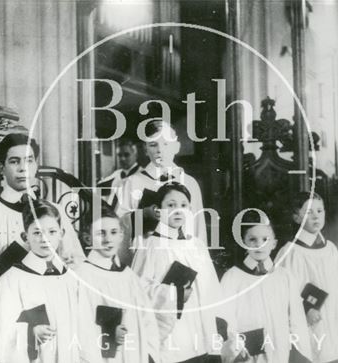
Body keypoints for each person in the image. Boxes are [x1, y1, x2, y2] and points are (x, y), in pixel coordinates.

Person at [0, 133, 83, 292]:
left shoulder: (55, 211)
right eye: (14, 161)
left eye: (29, 160)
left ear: (36, 166)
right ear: (1, 168)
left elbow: (77, 264)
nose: (23, 168)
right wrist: (18, 250)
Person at [131, 182, 236, 363]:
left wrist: (220, 323)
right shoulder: (150, 245)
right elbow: (137, 292)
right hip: (172, 339)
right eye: (170, 205)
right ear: (158, 210)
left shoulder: (197, 245)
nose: (177, 210)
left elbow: (212, 289)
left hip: (202, 335)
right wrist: (175, 294)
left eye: (183, 205)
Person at [0, 199, 80, 363]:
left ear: (62, 233)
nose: (45, 239)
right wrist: (30, 332)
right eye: (37, 233)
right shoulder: (12, 280)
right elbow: (0, 332)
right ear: (25, 237)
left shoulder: (71, 279)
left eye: (52, 231)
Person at [221, 209, 312, 363]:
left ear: (274, 244)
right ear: (243, 242)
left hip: (280, 349)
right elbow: (226, 318)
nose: (259, 245)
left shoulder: (284, 277)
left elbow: (297, 318)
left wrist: (300, 351)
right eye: (252, 240)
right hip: (246, 353)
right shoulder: (233, 277)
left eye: (265, 239)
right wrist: (236, 348)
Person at [276, 192, 338, 363]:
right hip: (307, 320)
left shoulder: (331, 249)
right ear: (296, 218)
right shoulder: (290, 252)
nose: (315, 216)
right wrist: (305, 309)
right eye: (308, 212)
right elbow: (281, 291)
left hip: (332, 319)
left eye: (319, 211)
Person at [115, 122, 206, 266]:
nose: (159, 150)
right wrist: (143, 214)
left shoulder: (189, 183)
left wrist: (200, 261)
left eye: (166, 144)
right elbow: (119, 223)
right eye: (153, 145)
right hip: (146, 258)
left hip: (182, 258)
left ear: (176, 147)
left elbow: (198, 227)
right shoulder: (132, 182)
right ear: (145, 149)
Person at [76, 206, 160, 363]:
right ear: (87, 238)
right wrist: (108, 332)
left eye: (114, 232)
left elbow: (147, 319)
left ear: (121, 235)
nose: (108, 239)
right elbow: (80, 326)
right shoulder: (82, 275)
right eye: (101, 233)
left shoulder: (129, 277)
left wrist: (149, 354)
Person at [97, 139, 141, 207]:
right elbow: (99, 187)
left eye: (126, 155)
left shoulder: (142, 176)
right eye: (120, 155)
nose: (122, 159)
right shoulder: (117, 174)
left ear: (135, 155)